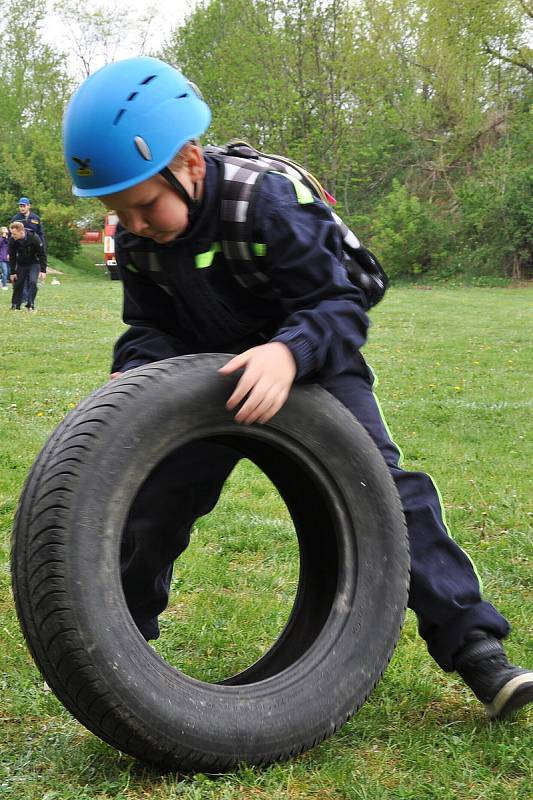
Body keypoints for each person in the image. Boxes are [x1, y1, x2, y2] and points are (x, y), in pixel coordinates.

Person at [62, 56, 533, 721]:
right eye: (119, 212)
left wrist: (287, 353)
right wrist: (133, 376)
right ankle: (115, 646)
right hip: (208, 371)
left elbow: (345, 299)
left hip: (308, 360)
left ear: (189, 161)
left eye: (142, 205)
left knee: (385, 491)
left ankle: (477, 649)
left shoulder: (264, 199)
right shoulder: (140, 239)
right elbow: (150, 325)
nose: (134, 225)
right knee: (153, 494)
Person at [8, 221, 47, 310]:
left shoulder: (34, 238)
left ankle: (30, 304)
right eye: (12, 234)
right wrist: (13, 272)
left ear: (21, 232)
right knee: (18, 283)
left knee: (33, 282)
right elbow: (12, 256)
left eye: (14, 234)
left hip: (34, 263)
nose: (12, 236)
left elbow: (42, 254)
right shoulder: (12, 240)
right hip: (21, 264)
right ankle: (15, 305)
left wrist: (43, 270)